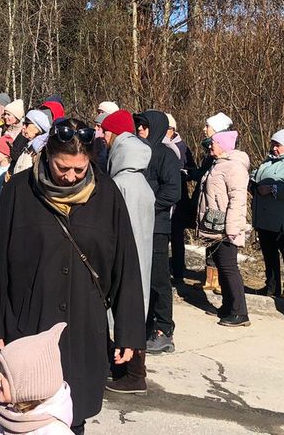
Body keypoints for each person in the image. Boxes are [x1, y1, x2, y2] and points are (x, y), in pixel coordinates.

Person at [0, 117, 144, 435]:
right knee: (25, 412)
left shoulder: (107, 194)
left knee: (73, 413)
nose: (70, 177)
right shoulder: (18, 193)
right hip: (29, 323)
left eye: (79, 170)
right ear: (47, 156)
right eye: (62, 168)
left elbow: (126, 265)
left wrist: (129, 332)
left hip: (84, 324)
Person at [99, 109, 154, 393]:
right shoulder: (138, 180)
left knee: (125, 307)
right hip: (139, 254)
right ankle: (126, 368)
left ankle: (133, 372)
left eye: (106, 132)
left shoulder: (122, 184)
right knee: (134, 304)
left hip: (126, 256)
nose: (103, 138)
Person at [136, 110, 182, 356]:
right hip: (136, 224)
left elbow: (173, 192)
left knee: (158, 279)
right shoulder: (138, 152)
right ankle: (145, 324)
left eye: (144, 126)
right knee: (139, 278)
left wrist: (145, 204)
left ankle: (164, 329)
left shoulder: (166, 155)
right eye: (138, 126)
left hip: (157, 227)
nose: (140, 130)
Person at [197, 130, 251, 327]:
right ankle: (228, 306)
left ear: (224, 145)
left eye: (214, 143)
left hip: (226, 226)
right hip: (215, 223)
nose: (210, 146)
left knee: (229, 267)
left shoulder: (234, 167)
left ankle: (240, 312)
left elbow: (238, 200)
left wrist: (232, 227)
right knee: (221, 265)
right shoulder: (217, 164)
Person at [0, 322, 75, 435]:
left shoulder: (54, 431)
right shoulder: (2, 414)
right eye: (0, 371)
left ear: (28, 386)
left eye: (6, 374)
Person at [250, 129, 284, 300]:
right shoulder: (269, 162)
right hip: (265, 218)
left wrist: (273, 189)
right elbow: (257, 176)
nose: (274, 148)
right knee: (269, 253)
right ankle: (272, 286)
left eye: (277, 145)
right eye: (273, 144)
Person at [197, 112, 234, 294]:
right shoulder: (210, 151)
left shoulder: (222, 154)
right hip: (208, 204)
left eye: (207, 126)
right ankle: (210, 278)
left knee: (218, 243)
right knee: (209, 239)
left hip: (218, 206)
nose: (204, 129)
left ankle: (218, 280)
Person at [166, 113, 197, 280]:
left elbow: (192, 169)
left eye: (167, 129)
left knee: (177, 235)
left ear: (172, 130)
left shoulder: (182, 146)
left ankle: (178, 270)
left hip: (180, 198)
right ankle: (164, 268)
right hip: (163, 196)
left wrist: (185, 173)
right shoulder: (155, 144)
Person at [12, 109, 51, 175]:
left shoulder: (40, 153)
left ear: (37, 128)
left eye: (27, 124)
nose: (23, 127)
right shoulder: (27, 146)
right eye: (23, 124)